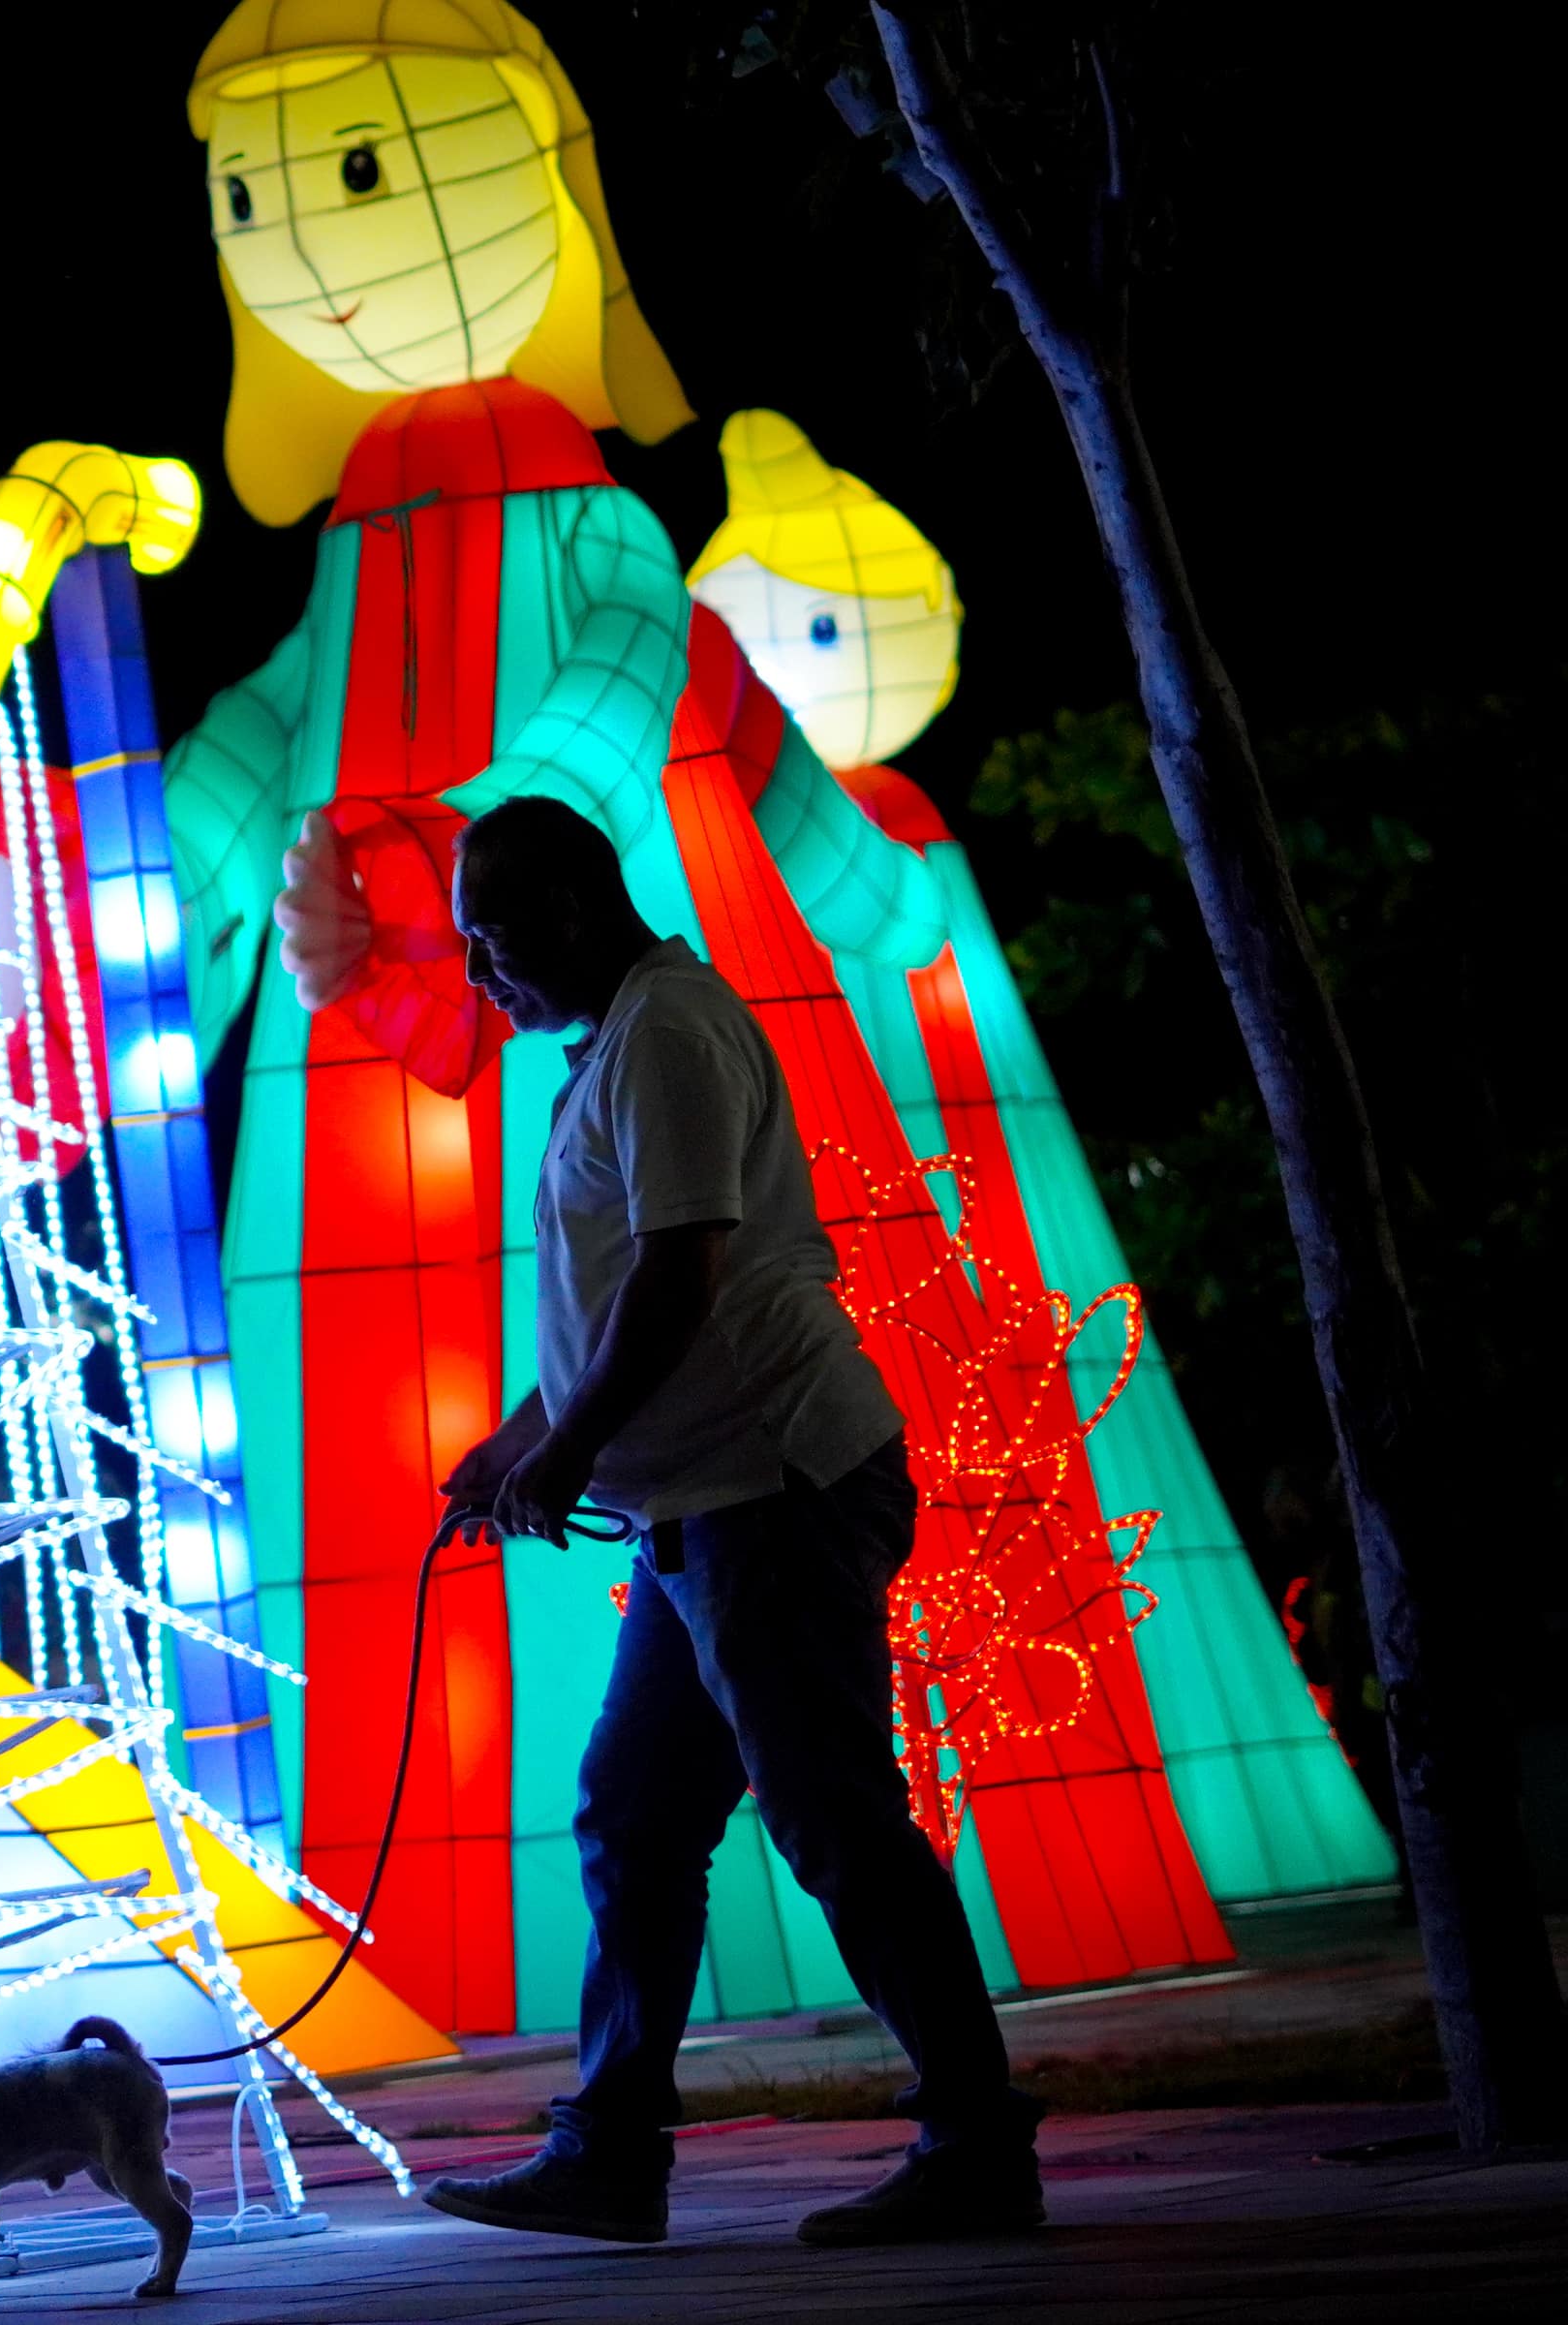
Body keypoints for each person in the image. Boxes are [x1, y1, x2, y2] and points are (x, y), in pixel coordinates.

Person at [423, 796, 1041, 2248]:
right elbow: (622, 1303)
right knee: (636, 1817)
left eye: (492, 938)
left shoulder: (669, 1033)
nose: (478, 975)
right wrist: (527, 1437)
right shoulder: (623, 1044)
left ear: (575, 906)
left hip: (772, 1490)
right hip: (710, 1512)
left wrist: (564, 1453)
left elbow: (683, 1273)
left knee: (834, 1822)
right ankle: (612, 2150)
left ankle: (976, 2148)